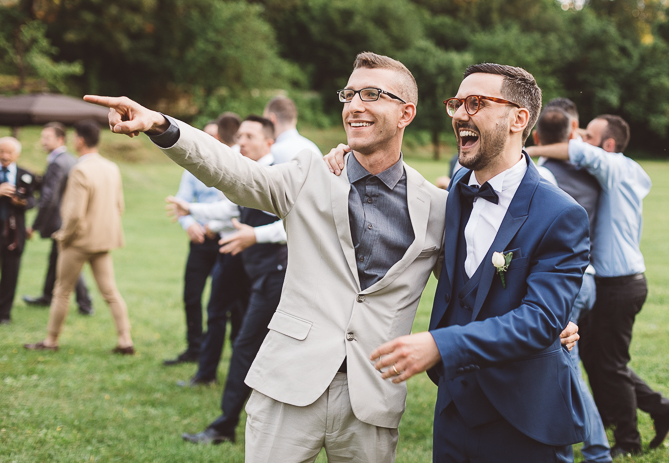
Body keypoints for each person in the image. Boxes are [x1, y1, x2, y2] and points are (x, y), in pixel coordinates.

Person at [85, 52, 579, 461]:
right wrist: (162, 126)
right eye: (349, 95)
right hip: (289, 384)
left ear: (406, 113)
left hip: (372, 398)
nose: (354, 105)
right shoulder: (310, 173)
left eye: (372, 94)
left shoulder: (440, 206)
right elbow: (234, 172)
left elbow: (476, 282)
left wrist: (558, 322)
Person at [367, 63, 591, 462]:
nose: (458, 115)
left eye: (475, 103)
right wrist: (346, 154)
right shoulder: (455, 191)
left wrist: (439, 343)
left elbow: (541, 320)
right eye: (456, 104)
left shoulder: (561, 214)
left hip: (525, 417)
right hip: (455, 408)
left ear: (518, 119)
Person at [526, 114, 669, 457]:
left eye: (590, 137)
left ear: (608, 145)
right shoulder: (625, 169)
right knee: (598, 361)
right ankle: (657, 409)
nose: (583, 140)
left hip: (619, 283)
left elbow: (573, 150)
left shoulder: (612, 166)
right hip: (614, 280)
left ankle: (629, 441)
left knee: (608, 365)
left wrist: (526, 147)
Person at [167, 116, 289, 444]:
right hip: (254, 271)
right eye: (240, 135)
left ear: (269, 142)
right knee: (253, 343)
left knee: (248, 345)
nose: (241, 141)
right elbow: (228, 211)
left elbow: (293, 224)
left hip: (276, 275)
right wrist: (189, 207)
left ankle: (225, 426)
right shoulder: (247, 173)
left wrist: (256, 236)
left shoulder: (281, 174)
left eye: (249, 135)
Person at [533, 106, 611, 463]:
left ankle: (596, 453)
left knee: (568, 368)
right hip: (590, 277)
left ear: (536, 138)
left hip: (565, 281)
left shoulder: (539, 175)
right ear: (572, 136)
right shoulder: (593, 173)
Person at [24, 120, 134, 353]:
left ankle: (51, 341)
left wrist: (64, 236)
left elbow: (74, 215)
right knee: (110, 292)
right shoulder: (111, 167)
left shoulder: (80, 169)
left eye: (74, 137)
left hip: (79, 241)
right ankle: (125, 340)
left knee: (62, 291)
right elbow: (120, 206)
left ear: (81, 140)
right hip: (103, 240)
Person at [163, 122, 226, 366]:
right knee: (192, 296)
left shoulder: (234, 166)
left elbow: (238, 207)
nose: (211, 139)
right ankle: (194, 347)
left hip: (224, 241)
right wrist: (189, 225)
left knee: (224, 302)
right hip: (199, 241)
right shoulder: (191, 170)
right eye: (206, 136)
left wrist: (215, 225)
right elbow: (181, 202)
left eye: (215, 135)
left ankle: (229, 348)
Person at [24, 123, 93, 315]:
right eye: (42, 137)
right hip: (67, 217)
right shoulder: (71, 159)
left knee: (68, 262)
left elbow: (49, 198)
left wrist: (35, 225)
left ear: (60, 139)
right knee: (55, 258)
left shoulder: (57, 162)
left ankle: (86, 304)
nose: (43, 141)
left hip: (59, 220)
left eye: (47, 137)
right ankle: (47, 296)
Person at [0, 137, 37, 324]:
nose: (5, 156)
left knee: (10, 273)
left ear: (17, 154)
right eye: (1, 151)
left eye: (9, 152)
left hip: (14, 231)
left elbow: (33, 201)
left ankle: (4, 314)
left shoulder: (25, 175)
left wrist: (20, 202)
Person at [263, 96, 321, 163]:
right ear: (295, 120)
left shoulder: (272, 153)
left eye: (265, 122)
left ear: (272, 119)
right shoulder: (313, 148)